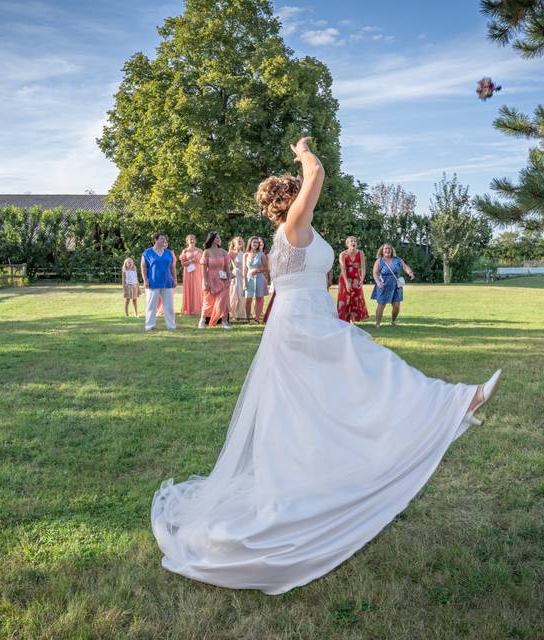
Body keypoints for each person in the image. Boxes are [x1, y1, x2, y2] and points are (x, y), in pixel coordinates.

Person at [151, 137, 503, 595]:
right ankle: (455, 401)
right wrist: (301, 150)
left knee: (317, 407)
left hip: (308, 318)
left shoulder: (299, 231)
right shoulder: (294, 227)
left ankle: (329, 473)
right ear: (290, 198)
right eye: (299, 189)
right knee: (371, 366)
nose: (308, 191)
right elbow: (317, 175)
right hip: (303, 324)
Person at [370, 243, 414, 327]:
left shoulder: (397, 259)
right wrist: (378, 282)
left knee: (396, 306)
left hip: (396, 285)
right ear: (382, 251)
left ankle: (393, 321)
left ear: (392, 250)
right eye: (385, 248)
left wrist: (410, 272)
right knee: (381, 304)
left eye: (389, 248)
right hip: (383, 285)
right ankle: (377, 324)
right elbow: (375, 273)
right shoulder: (379, 261)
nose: (387, 250)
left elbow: (405, 267)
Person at [141, 232, 177, 331]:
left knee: (169, 306)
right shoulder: (147, 252)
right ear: (155, 240)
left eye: (164, 239)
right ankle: (149, 326)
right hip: (153, 282)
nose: (164, 240)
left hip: (167, 282)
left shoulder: (168, 252)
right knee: (151, 305)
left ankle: (171, 326)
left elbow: (172, 267)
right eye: (161, 238)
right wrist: (145, 280)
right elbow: (143, 267)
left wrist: (175, 279)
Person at [198, 231, 232, 330]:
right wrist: (205, 281)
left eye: (219, 237)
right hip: (210, 278)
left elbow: (227, 268)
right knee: (208, 301)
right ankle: (203, 320)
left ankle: (224, 322)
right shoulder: (206, 252)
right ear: (212, 239)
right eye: (217, 237)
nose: (219, 239)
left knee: (223, 301)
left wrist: (229, 279)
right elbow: (203, 270)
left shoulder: (223, 252)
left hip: (222, 279)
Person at [336, 236, 369, 323]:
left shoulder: (360, 253)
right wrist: (346, 282)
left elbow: (363, 267)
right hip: (344, 278)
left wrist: (362, 279)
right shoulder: (343, 254)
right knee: (344, 298)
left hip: (356, 278)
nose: (353, 242)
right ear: (347, 244)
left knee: (356, 297)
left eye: (354, 241)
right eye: (351, 241)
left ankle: (353, 320)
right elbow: (343, 269)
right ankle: (343, 320)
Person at [244, 236, 270, 323]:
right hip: (248, 278)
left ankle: (257, 319)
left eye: (257, 243)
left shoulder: (261, 254)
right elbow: (244, 270)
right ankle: (247, 319)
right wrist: (244, 282)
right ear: (250, 243)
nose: (255, 244)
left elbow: (266, 268)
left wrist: (256, 270)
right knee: (248, 299)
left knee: (259, 298)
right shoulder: (246, 255)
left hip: (259, 277)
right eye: (254, 242)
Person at [179, 235, 204, 316]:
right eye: (190, 239)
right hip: (188, 273)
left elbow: (204, 261)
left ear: (195, 240)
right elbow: (183, 264)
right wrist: (191, 260)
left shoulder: (200, 250)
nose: (192, 240)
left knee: (198, 288)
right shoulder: (185, 251)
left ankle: (198, 308)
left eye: (193, 239)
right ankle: (189, 308)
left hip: (198, 272)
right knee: (189, 288)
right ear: (187, 241)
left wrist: (198, 261)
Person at [227, 236, 248, 324]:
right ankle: (233, 315)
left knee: (243, 296)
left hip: (244, 276)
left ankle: (241, 315)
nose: (240, 242)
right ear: (234, 243)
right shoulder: (231, 253)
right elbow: (227, 266)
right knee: (234, 296)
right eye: (238, 241)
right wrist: (229, 274)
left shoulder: (245, 253)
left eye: (241, 241)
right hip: (235, 275)